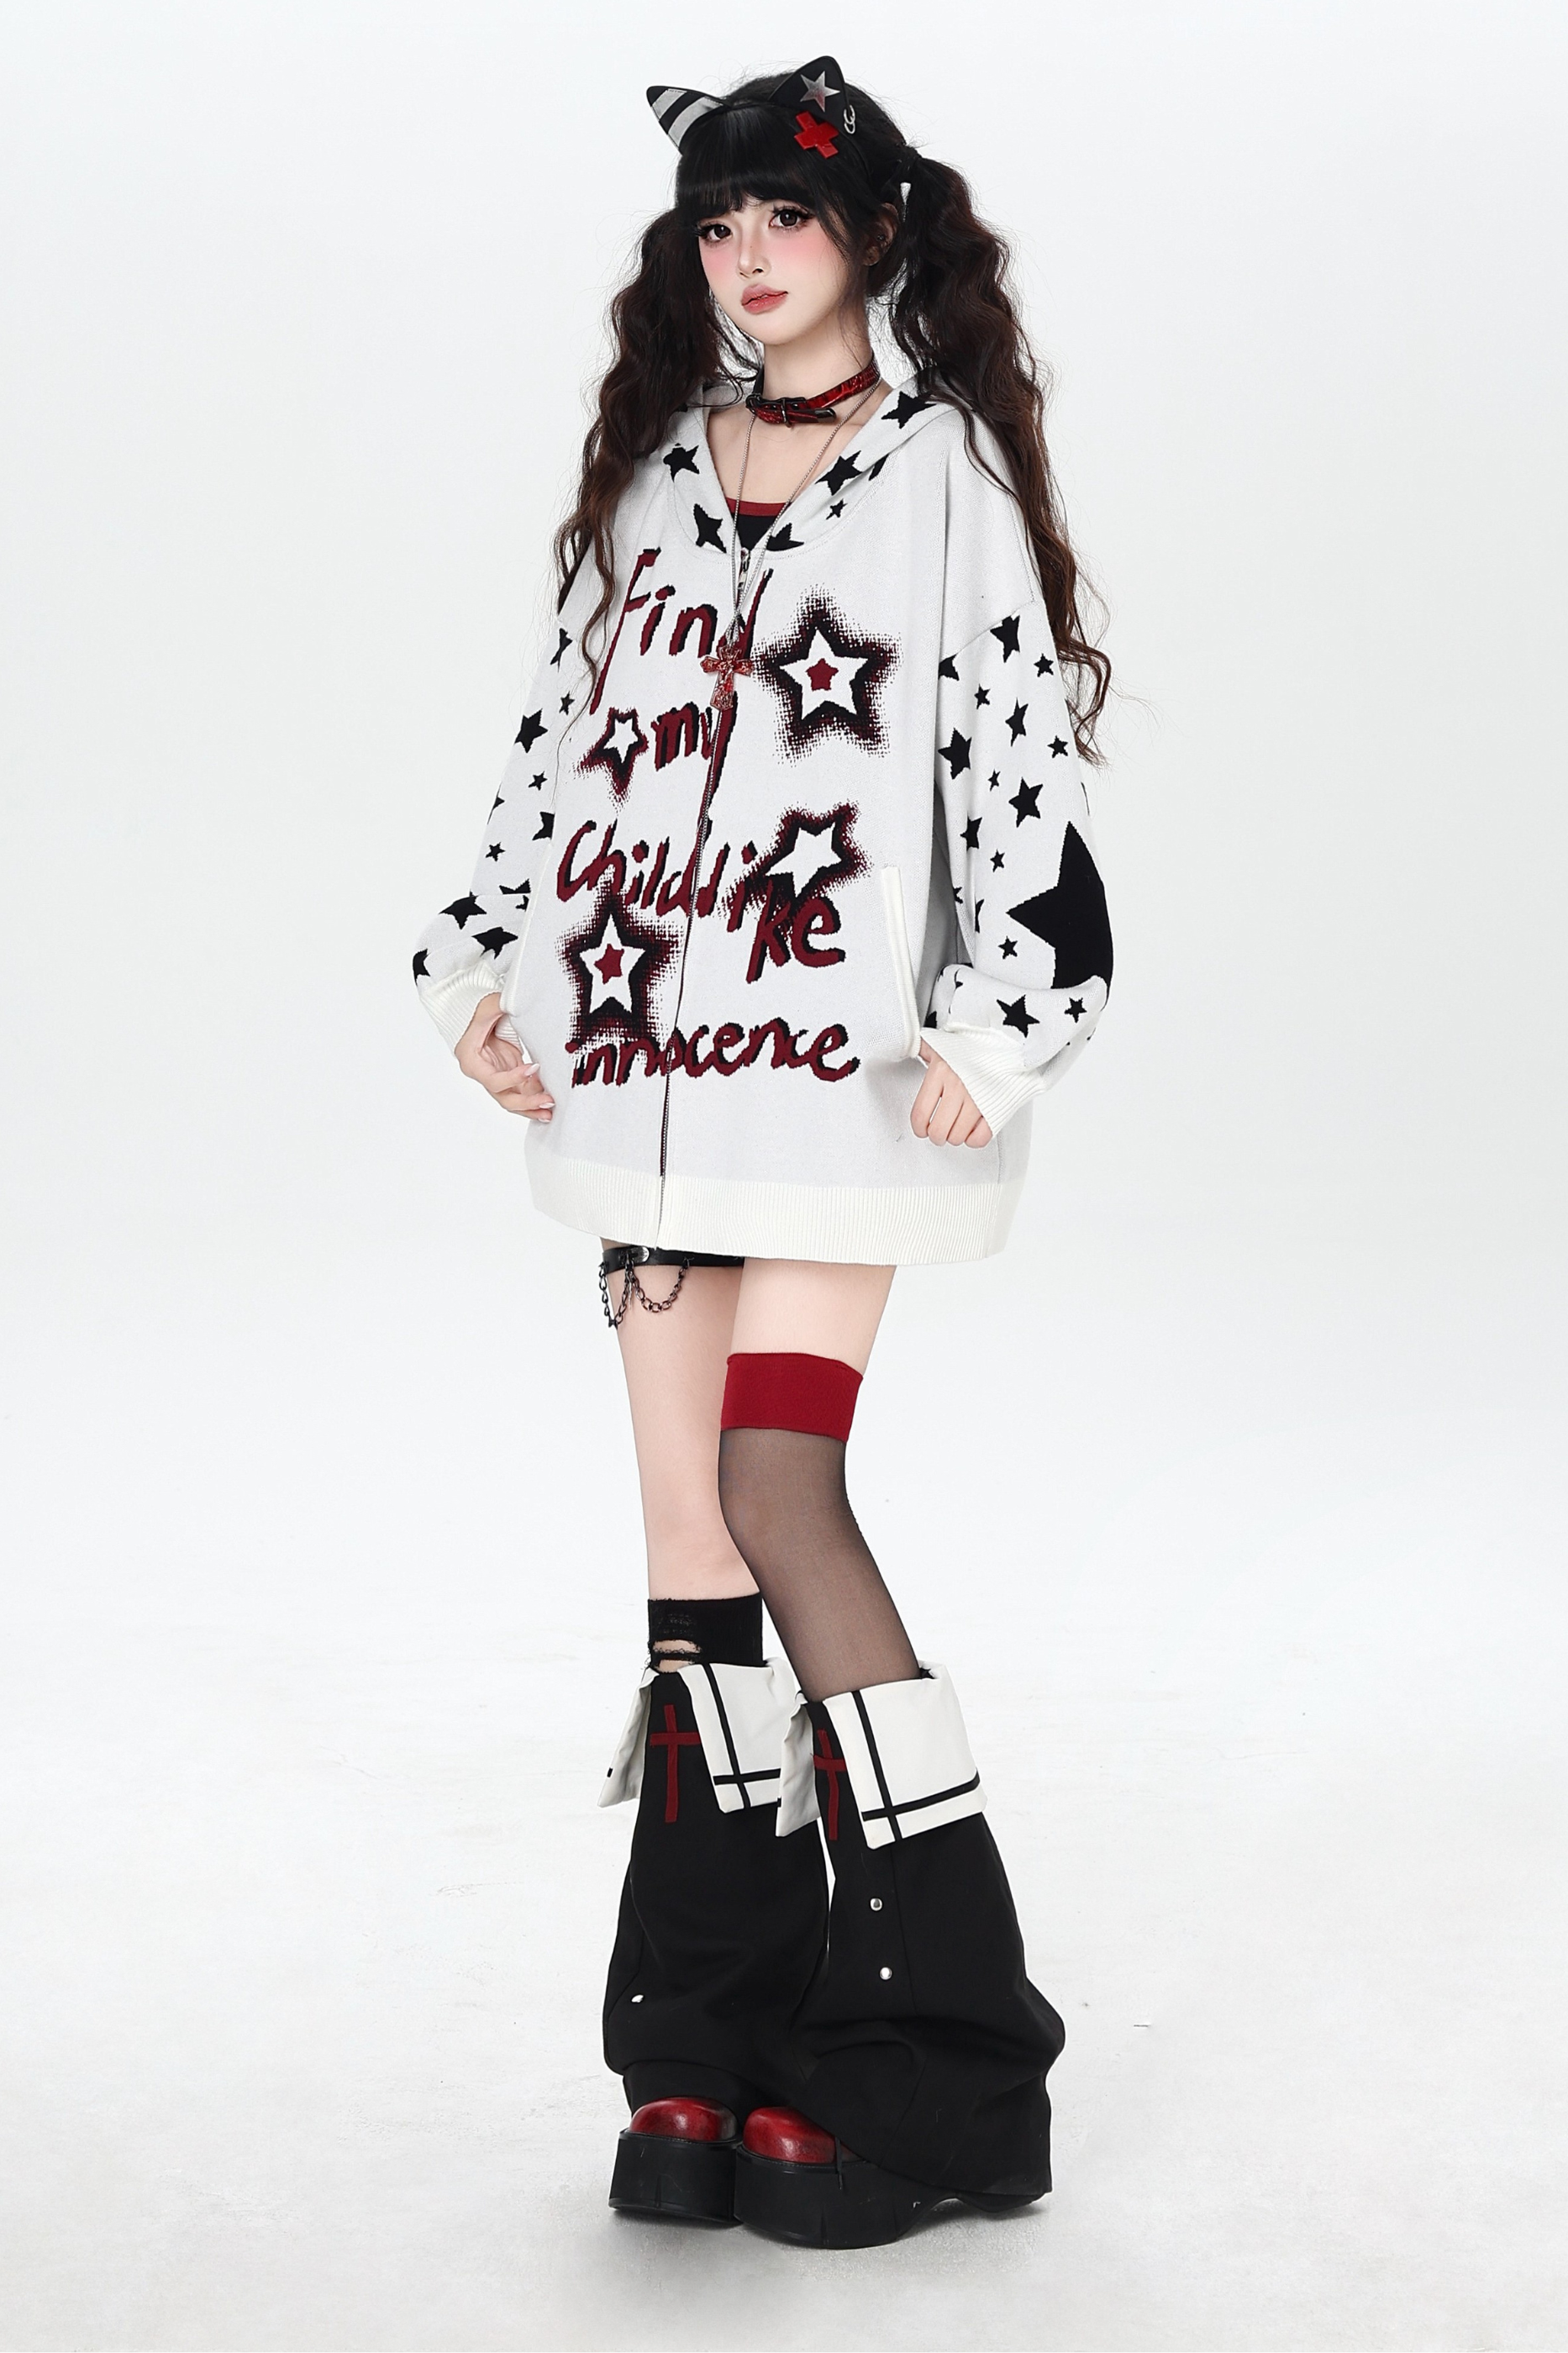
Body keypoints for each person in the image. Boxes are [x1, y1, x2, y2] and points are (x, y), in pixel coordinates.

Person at [412, 55, 1113, 2248]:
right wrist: (475, 962)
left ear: (876, 235)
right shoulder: (650, 479)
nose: (749, 258)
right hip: (638, 1073)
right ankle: (700, 2056)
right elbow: (564, 735)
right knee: (684, 1554)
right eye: (719, 225)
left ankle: (942, 2059)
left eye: (786, 219)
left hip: (829, 1083)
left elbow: (1019, 762)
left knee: (777, 1487)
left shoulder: (940, 481)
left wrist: (1005, 1017)